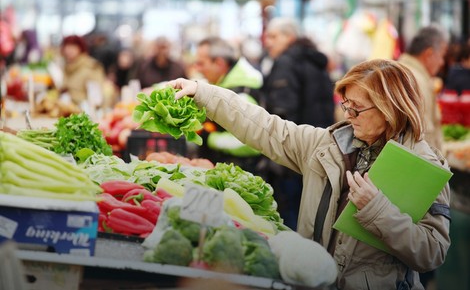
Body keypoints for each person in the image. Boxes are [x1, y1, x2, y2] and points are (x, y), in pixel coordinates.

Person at [167, 58, 451, 290]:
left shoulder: (424, 166)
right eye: (346, 105)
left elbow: (432, 252)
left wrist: (377, 210)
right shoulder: (325, 145)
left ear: (389, 108)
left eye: (357, 108)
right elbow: (266, 127)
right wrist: (203, 92)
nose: (347, 115)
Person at [260, 17, 335, 230]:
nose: (268, 42)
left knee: (289, 215)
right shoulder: (315, 61)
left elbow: (283, 114)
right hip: (319, 151)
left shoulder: (286, 63)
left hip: (294, 156)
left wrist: (277, 157)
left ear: (290, 37)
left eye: (274, 36)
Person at [193, 36, 263, 173]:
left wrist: (209, 137)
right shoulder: (225, 83)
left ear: (219, 63)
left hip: (239, 175)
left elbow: (250, 144)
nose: (197, 69)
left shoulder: (242, 94)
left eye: (201, 63)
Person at [398, 25, 449, 152]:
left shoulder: (401, 71)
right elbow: (424, 138)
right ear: (429, 53)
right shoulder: (416, 80)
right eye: (442, 55)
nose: (442, 62)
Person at [60, 35, 108, 107]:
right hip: (67, 110)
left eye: (73, 46)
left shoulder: (91, 67)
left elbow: (96, 98)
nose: (69, 50)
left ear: (81, 48)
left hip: (84, 112)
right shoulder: (66, 67)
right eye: (67, 46)